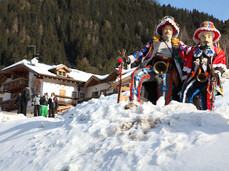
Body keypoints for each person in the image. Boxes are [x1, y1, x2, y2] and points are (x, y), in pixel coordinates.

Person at [124, 16, 186, 109]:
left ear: (173, 31)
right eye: (165, 29)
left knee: (165, 87)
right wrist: (131, 59)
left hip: (167, 70)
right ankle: (134, 101)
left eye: (169, 29)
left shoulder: (177, 43)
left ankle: (165, 106)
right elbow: (143, 51)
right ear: (161, 31)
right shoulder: (154, 41)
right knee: (136, 74)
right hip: (153, 67)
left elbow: (187, 51)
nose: (167, 31)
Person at [181, 21, 227, 110]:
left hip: (208, 79)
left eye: (209, 36)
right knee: (186, 92)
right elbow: (188, 64)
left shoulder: (218, 51)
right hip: (195, 77)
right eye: (203, 36)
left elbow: (220, 65)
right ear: (199, 38)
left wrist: (216, 74)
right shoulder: (194, 50)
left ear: (213, 38)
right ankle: (183, 113)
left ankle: (207, 117)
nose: (206, 38)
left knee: (208, 99)